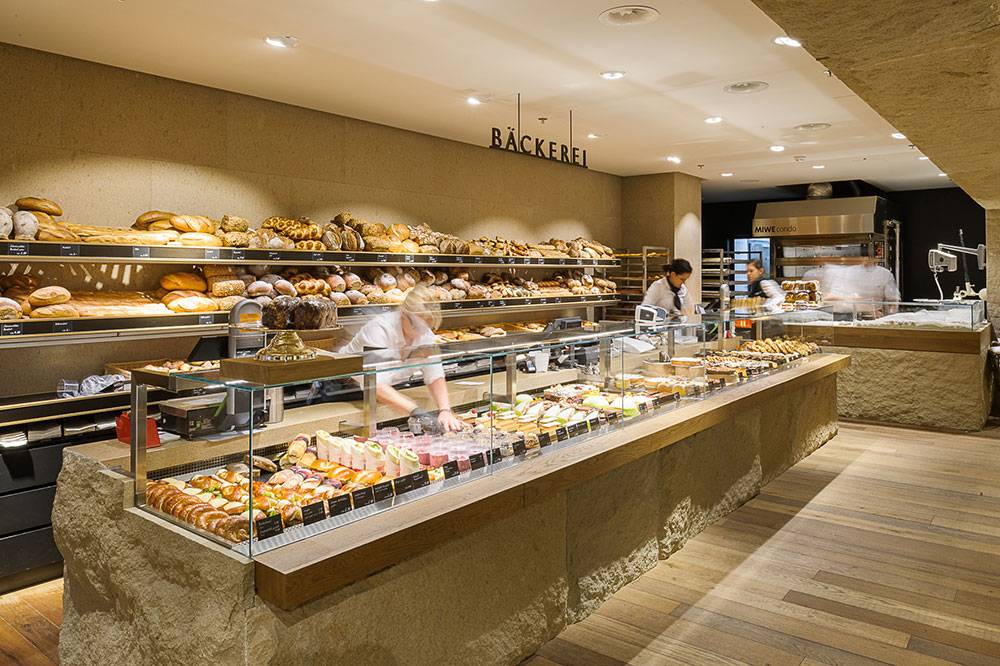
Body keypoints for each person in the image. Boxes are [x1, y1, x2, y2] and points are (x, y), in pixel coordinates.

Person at [339, 285, 464, 432]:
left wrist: (445, 410)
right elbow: (375, 384)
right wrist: (416, 411)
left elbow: (435, 375)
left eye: (426, 328)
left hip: (386, 391)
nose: (420, 333)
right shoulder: (380, 329)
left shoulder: (425, 334)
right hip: (343, 391)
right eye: (417, 326)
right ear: (403, 313)